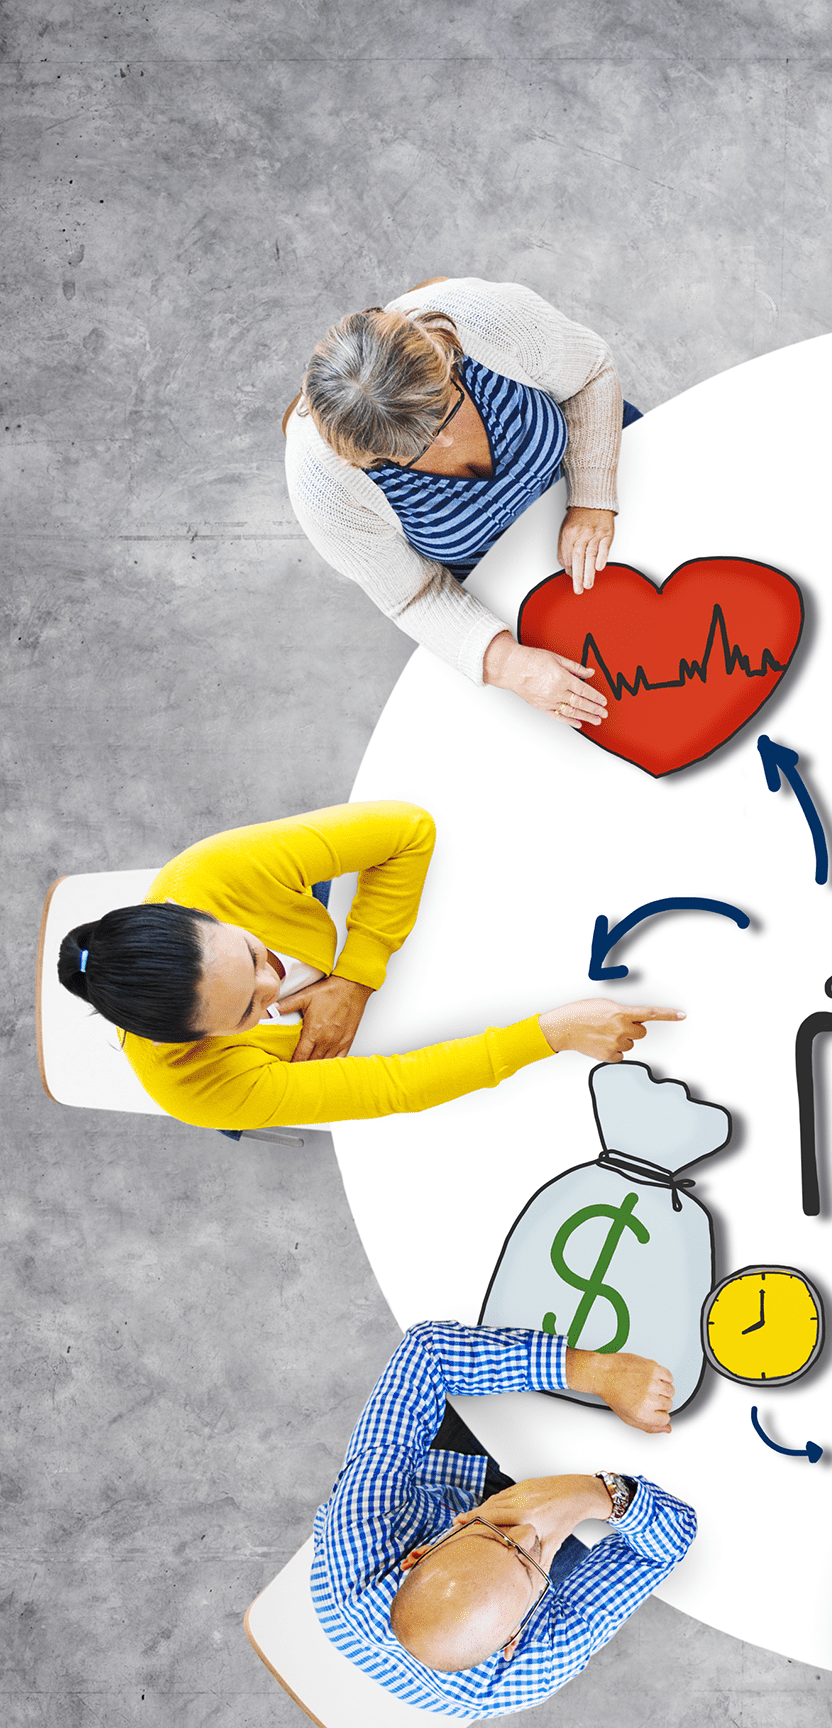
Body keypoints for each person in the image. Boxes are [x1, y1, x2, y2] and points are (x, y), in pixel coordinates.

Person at [55, 801, 677, 1131]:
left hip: (343, 959)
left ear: (200, 914)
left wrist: (354, 976)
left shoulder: (208, 874)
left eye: (250, 954)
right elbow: (389, 1088)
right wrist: (552, 1033)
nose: (272, 979)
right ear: (199, 1040)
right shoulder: (197, 1089)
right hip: (287, 1079)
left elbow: (408, 829)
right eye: (247, 1010)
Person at [285, 275, 637, 731]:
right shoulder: (324, 488)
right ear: (366, 458)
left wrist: (591, 496)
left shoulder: (488, 317)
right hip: (512, 584)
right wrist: (511, 666)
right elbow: (413, 596)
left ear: (444, 354)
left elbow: (590, 374)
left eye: (448, 407)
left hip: (606, 471)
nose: (449, 438)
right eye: (419, 447)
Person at [312, 1318, 692, 1716]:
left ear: (423, 1551)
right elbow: (670, 1541)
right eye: (527, 1563)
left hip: (451, 1476)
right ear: (515, 1634)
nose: (531, 1526)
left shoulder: (360, 1531)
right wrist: (594, 1494)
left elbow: (429, 1352)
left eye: (498, 1535)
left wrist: (596, 1371)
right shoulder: (535, 1664)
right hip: (537, 1552)